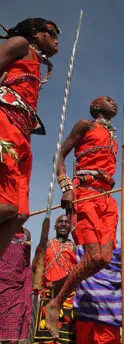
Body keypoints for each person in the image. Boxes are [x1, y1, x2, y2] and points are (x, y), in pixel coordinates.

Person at [45, 96, 119, 337]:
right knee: (93, 254)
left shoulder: (115, 139)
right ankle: (56, 302)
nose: (114, 102)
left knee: (105, 258)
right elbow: (60, 155)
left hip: (107, 199)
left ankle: (58, 297)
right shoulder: (85, 125)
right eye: (108, 100)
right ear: (96, 106)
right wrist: (66, 187)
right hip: (85, 194)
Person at [0, 18, 59, 255]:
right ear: (35, 33)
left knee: (21, 213)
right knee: (6, 205)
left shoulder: (36, 61)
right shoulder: (20, 44)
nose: (56, 40)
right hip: (5, 122)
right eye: (52, 33)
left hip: (24, 135)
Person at [33, 215, 76, 344]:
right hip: (48, 297)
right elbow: (37, 265)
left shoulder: (74, 247)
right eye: (60, 222)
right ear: (55, 226)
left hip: (67, 300)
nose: (64, 224)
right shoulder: (47, 244)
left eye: (66, 222)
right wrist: (36, 285)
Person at [73, 242, 122, 344]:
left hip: (109, 307)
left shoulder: (118, 247)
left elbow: (123, 275)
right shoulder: (83, 244)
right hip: (86, 303)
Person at [0, 228, 31, 344]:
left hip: (15, 293)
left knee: (11, 343)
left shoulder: (26, 234)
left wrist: (29, 288)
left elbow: (26, 264)